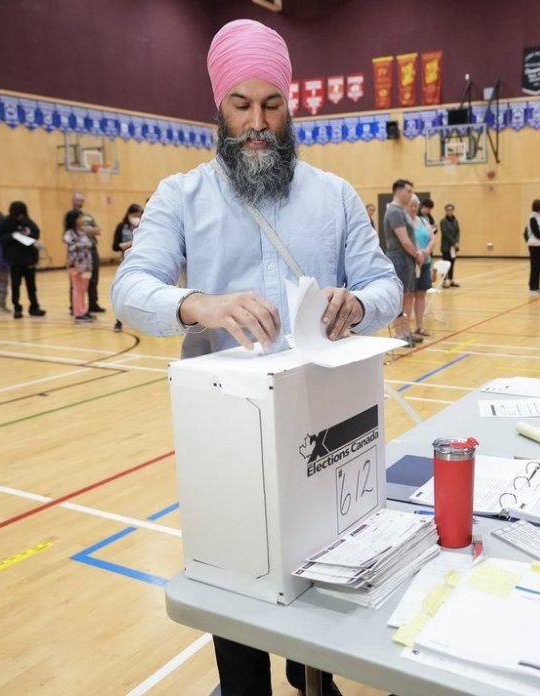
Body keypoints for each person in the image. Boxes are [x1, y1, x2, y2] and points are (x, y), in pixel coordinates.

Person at [111, 19, 401, 696]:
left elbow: (384, 284)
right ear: (218, 108)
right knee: (235, 583)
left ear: (291, 107)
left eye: (272, 105)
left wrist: (354, 307)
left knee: (321, 564)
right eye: (241, 105)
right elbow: (130, 289)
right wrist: (199, 304)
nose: (257, 122)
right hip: (227, 429)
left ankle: (316, 679)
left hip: (320, 417)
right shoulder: (180, 196)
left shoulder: (332, 196)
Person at [382, 179, 423, 346]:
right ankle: (400, 334)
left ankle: (406, 332)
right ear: (398, 192)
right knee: (400, 297)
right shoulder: (395, 212)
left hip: (406, 260)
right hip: (399, 259)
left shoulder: (401, 211)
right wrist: (417, 254)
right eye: (408, 191)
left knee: (407, 296)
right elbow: (404, 241)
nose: (411, 194)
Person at [0, 201, 46, 319]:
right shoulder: (5, 222)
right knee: (15, 285)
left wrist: (29, 233)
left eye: (22, 214)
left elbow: (36, 233)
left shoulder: (27, 221)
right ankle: (17, 308)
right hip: (14, 258)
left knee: (31, 285)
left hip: (28, 257)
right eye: (18, 214)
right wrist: (12, 235)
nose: (20, 217)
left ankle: (34, 307)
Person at [65, 192, 104, 313]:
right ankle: (76, 308)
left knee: (92, 278)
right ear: (73, 201)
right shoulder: (70, 216)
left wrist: (87, 230)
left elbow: (97, 230)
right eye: (77, 200)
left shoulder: (88, 216)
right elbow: (70, 235)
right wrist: (87, 231)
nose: (80, 202)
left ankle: (91, 304)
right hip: (78, 257)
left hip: (90, 252)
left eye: (82, 200)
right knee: (77, 284)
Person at [111, 203, 142, 332]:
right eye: (135, 215)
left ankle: (141, 321)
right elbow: (115, 246)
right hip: (126, 265)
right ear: (129, 214)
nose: (137, 217)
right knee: (123, 293)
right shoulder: (121, 227)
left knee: (140, 292)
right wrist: (131, 244)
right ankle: (118, 321)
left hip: (141, 263)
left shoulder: (144, 226)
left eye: (139, 215)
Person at [408, 194, 436, 336]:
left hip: (425, 263)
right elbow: (407, 241)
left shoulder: (424, 221)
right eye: (410, 205)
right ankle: (405, 330)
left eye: (415, 205)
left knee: (421, 295)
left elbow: (432, 239)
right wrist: (417, 253)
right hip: (411, 264)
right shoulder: (405, 221)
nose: (413, 208)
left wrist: (426, 252)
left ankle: (419, 326)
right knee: (409, 295)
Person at [64, 210, 95, 324]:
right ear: (74, 220)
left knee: (83, 289)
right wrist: (77, 266)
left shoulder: (82, 231)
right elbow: (72, 250)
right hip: (77, 265)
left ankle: (84, 311)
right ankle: (78, 313)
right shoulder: (69, 234)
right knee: (77, 289)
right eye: (79, 218)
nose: (82, 220)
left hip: (86, 264)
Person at [525, 198, 540, 294]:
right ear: (539, 207)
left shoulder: (539, 217)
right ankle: (533, 287)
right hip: (534, 245)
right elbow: (536, 232)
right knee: (535, 266)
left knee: (538, 266)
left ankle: (536, 286)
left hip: (538, 244)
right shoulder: (532, 218)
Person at [439, 203, 461, 287]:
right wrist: (454, 242)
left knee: (452, 264)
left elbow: (458, 232)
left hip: (454, 248)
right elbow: (445, 233)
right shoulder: (443, 221)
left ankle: (451, 280)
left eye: (451, 210)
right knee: (446, 264)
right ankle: (445, 281)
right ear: (446, 211)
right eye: (448, 210)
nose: (450, 211)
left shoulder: (455, 221)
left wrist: (457, 242)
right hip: (446, 247)